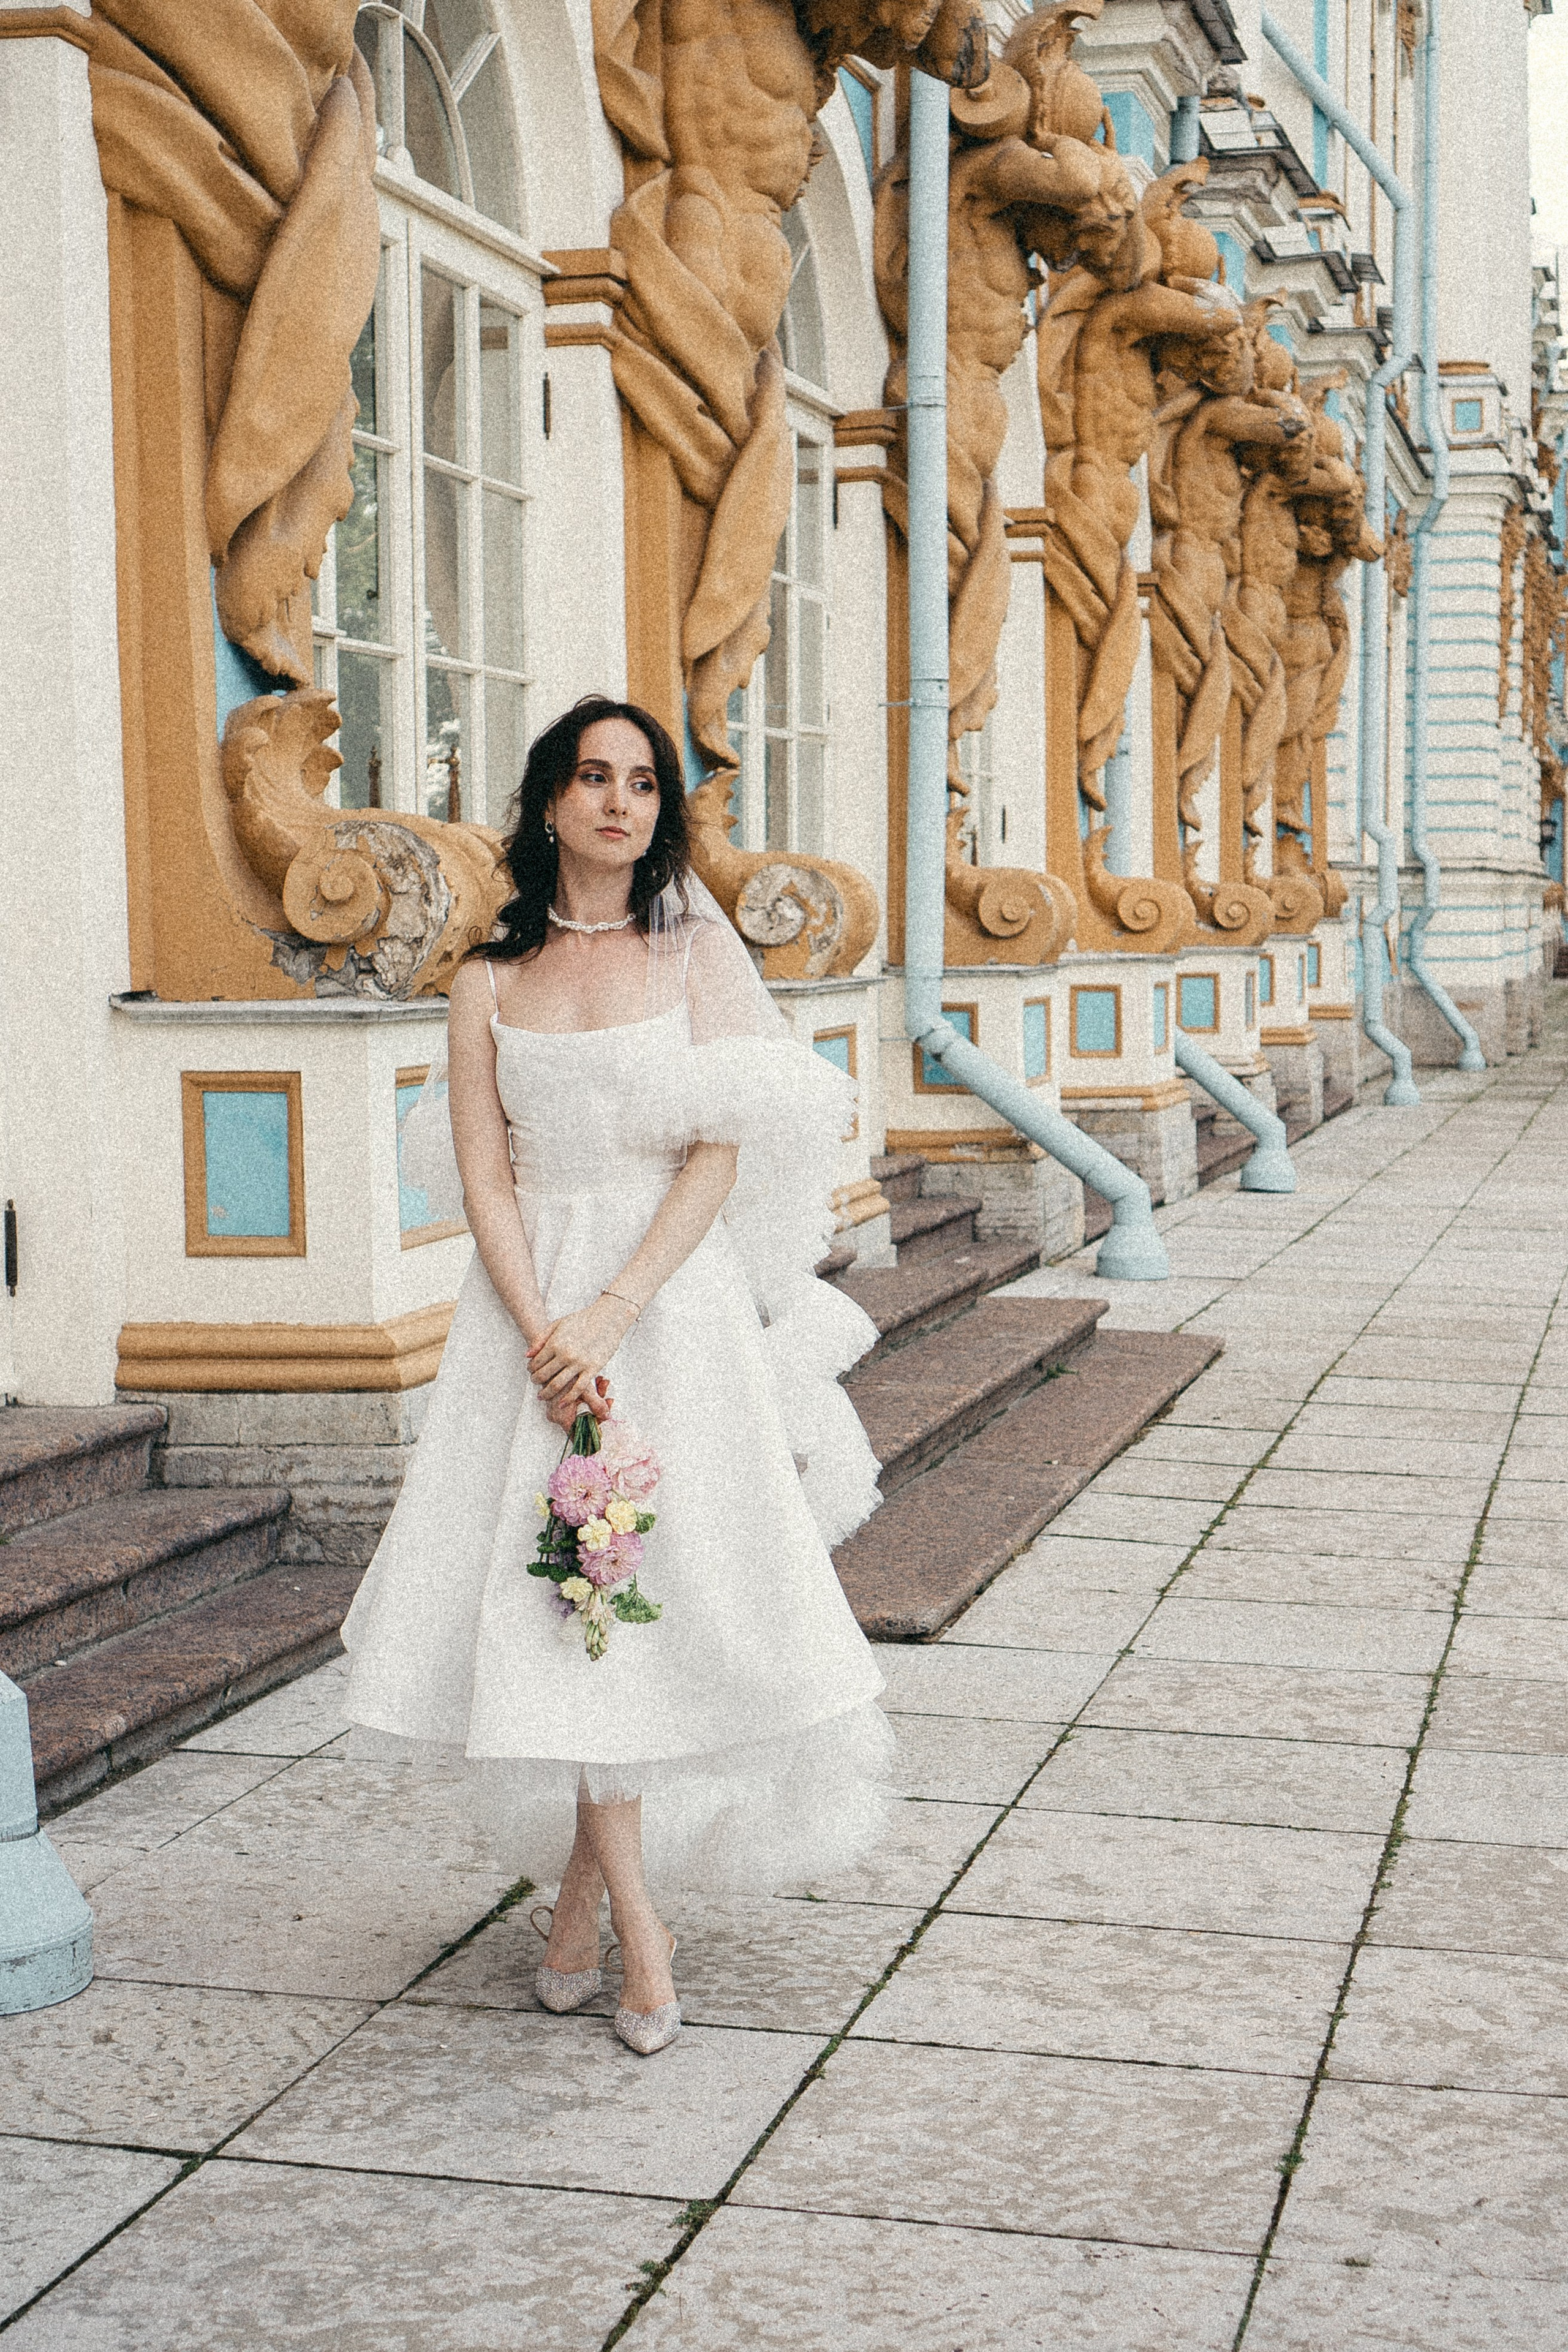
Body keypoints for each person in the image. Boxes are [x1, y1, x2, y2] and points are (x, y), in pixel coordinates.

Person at [341, 696, 891, 2055]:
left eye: (641, 783)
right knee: (564, 1611)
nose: (618, 802)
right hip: (523, 1329)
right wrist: (545, 1332)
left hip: (666, 1303)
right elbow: (483, 1173)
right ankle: (637, 1936)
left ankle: (587, 1913)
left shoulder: (691, 952)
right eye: (592, 778)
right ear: (547, 803)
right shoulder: (484, 980)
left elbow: (720, 1147)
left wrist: (613, 1311)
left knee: (651, 1599)